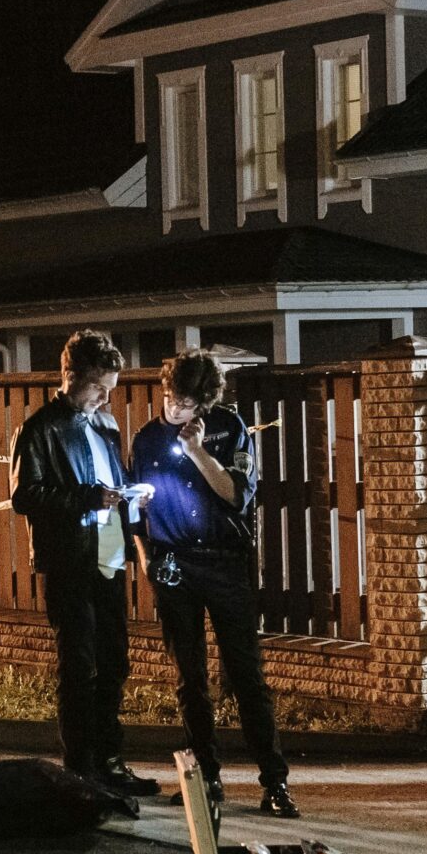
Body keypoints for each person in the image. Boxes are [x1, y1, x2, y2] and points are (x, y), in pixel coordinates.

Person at [128, 350, 295, 817]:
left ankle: (275, 782)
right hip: (173, 565)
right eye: (173, 399)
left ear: (206, 403)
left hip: (224, 563)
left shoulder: (228, 427)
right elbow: (134, 511)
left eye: (190, 405)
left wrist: (198, 451)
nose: (178, 410)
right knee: (190, 678)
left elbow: (236, 495)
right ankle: (205, 778)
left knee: (246, 676)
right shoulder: (145, 439)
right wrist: (146, 560)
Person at [9, 330, 157, 799]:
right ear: (70, 376)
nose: (105, 398)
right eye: (98, 387)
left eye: (110, 389)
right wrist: (87, 497)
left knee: (114, 662)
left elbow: (113, 480)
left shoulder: (105, 424)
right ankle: (80, 771)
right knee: (79, 667)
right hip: (70, 561)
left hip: (109, 555)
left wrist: (131, 496)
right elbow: (25, 496)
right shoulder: (40, 429)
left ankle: (110, 762)